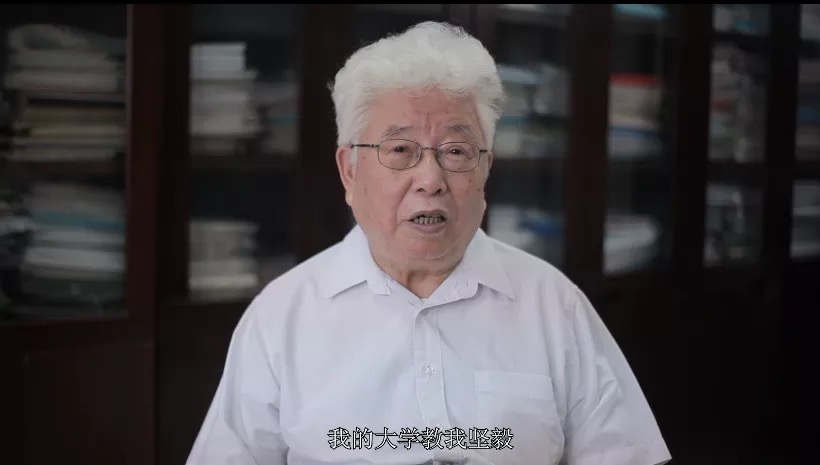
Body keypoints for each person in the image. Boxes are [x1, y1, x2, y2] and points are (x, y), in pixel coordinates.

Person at [186, 21, 671, 465]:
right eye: (400, 150)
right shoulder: (282, 316)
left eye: (456, 151)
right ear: (349, 170)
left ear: (486, 169)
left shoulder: (553, 305)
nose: (431, 180)